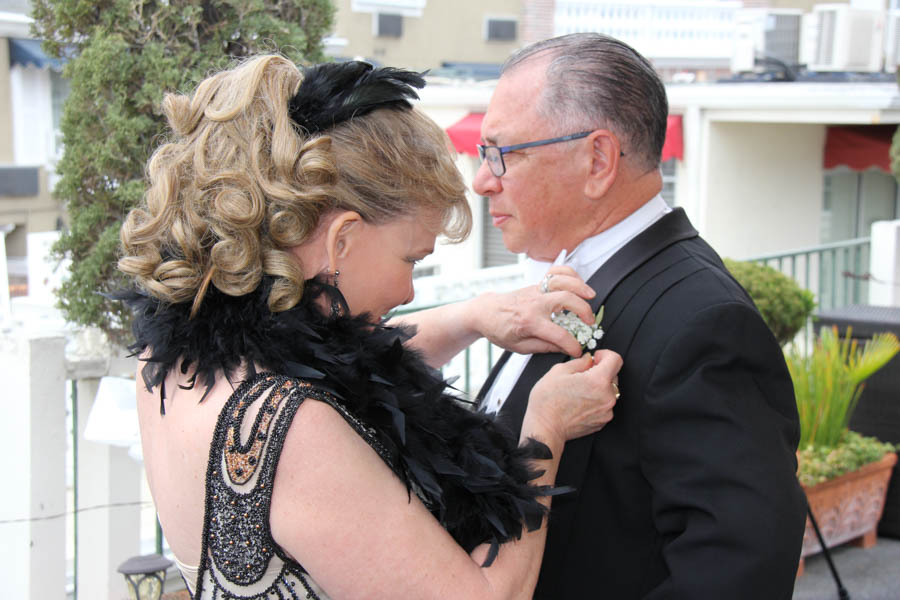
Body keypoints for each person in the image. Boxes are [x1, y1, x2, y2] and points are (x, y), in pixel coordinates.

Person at [118, 54, 623, 600]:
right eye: (411, 259)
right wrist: (544, 431)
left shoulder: (175, 361)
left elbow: (353, 369)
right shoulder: (293, 428)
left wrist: (475, 317)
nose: (409, 292)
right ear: (342, 240)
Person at [400, 33, 808, 598]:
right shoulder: (566, 283)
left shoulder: (702, 322)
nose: (482, 179)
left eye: (502, 153)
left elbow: (739, 570)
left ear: (597, 159)